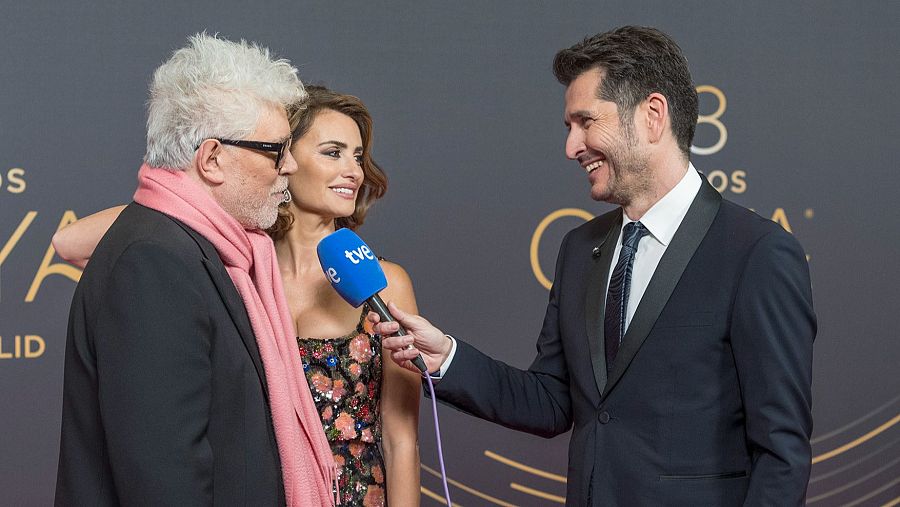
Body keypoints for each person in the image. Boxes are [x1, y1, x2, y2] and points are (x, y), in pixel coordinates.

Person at [372, 26, 816, 506]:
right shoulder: (579, 248)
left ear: (652, 115)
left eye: (586, 121)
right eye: (569, 128)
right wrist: (447, 359)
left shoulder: (758, 253)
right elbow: (551, 401)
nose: (571, 147)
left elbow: (782, 454)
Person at [53, 86, 422, 506]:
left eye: (358, 156)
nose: (354, 171)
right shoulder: (240, 271)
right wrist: (185, 200)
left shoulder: (385, 282)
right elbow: (70, 241)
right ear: (285, 158)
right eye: (333, 152)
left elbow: (400, 439)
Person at [54, 34, 336, 506]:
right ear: (211, 159)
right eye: (275, 150)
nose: (289, 167)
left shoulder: (215, 251)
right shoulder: (154, 261)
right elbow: (164, 477)